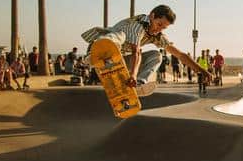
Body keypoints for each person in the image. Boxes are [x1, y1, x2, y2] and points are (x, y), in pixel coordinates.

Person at [81, 5, 212, 96]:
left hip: (118, 60)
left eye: (163, 28)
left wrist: (201, 70)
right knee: (119, 36)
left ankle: (138, 84)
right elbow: (136, 52)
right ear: (152, 16)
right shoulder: (138, 24)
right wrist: (132, 73)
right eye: (159, 24)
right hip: (103, 47)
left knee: (157, 56)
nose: (159, 29)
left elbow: (180, 54)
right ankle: (95, 54)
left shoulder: (157, 36)